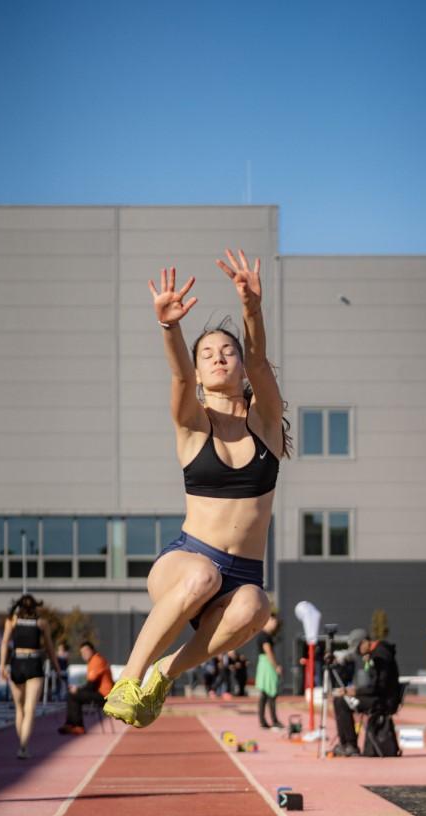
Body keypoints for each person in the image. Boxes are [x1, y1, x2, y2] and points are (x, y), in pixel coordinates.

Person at [103, 249, 291, 728]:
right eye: (207, 353)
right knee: (203, 575)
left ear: (241, 368)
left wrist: (251, 308)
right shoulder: (191, 425)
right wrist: (170, 328)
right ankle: (131, 674)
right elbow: (178, 375)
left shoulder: (265, 425)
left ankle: (167, 672)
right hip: (186, 561)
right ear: (200, 374)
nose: (218, 358)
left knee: (257, 605)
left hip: (242, 573)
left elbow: (262, 360)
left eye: (227, 351)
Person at [0, 594, 60, 758]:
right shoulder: (41, 623)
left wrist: (2, 666)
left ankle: (22, 744)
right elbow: (50, 648)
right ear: (34, 607)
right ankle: (24, 747)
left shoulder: (12, 620)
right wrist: (57, 669)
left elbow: (4, 643)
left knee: (19, 708)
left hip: (17, 663)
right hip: (34, 663)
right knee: (29, 708)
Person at [332, 628, 402, 757]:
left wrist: (355, 692)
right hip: (382, 696)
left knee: (341, 701)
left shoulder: (380, 656)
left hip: (383, 701)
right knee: (341, 699)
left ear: (365, 642)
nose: (358, 653)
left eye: (358, 649)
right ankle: (347, 744)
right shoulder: (378, 653)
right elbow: (376, 684)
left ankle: (350, 745)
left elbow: (378, 686)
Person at [59, 640, 114, 735]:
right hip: (101, 693)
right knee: (72, 694)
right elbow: (91, 686)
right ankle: (70, 724)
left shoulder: (96, 661)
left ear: (92, 650)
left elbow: (91, 686)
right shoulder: (94, 660)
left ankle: (78, 726)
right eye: (82, 652)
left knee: (73, 695)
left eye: (86, 650)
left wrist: (77, 690)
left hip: (105, 696)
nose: (84, 654)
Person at [255, 614, 284, 729]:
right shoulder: (264, 636)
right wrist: (276, 666)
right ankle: (273, 721)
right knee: (270, 693)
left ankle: (265, 721)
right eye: (273, 621)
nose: (274, 624)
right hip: (267, 665)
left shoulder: (265, 635)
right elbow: (269, 653)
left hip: (264, 664)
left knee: (265, 694)